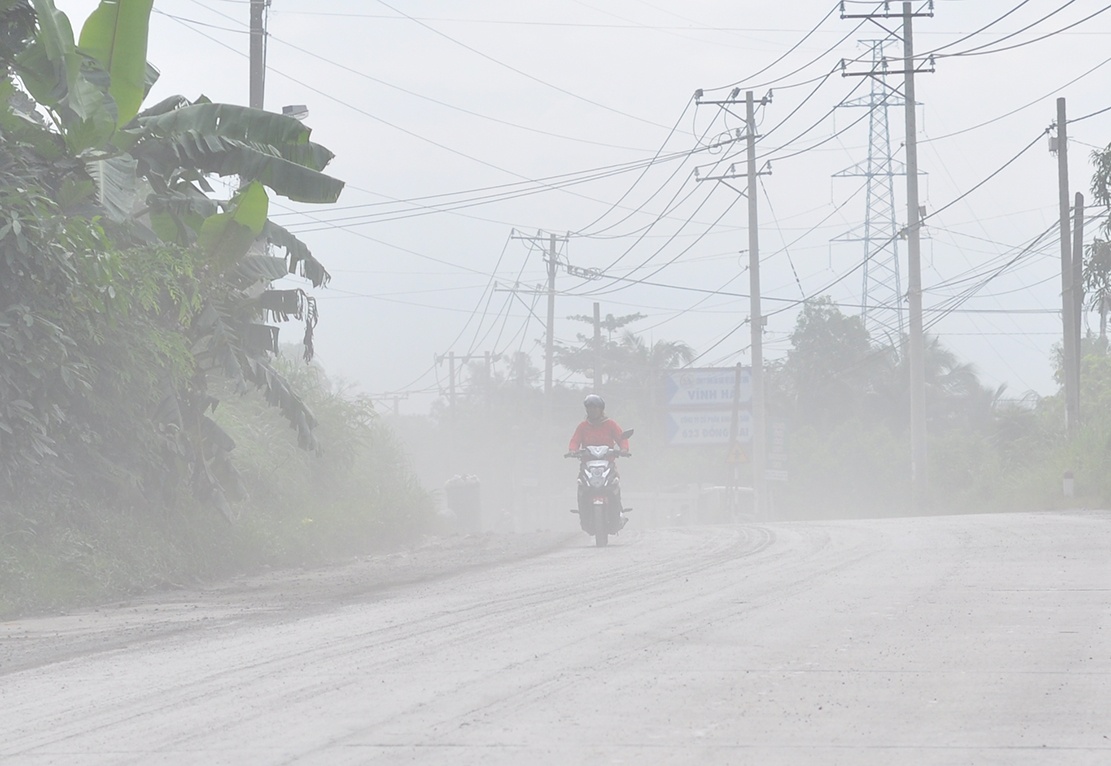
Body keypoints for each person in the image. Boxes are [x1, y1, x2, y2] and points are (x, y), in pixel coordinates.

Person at [567, 394, 629, 524]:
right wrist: (572, 450)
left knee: (614, 485)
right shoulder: (583, 426)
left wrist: (623, 449)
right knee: (582, 487)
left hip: (608, 464)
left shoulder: (610, 424)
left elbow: (622, 438)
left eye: (595, 408)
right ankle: (584, 515)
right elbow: (575, 440)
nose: (592, 410)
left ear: (601, 409)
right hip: (587, 465)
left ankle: (618, 511)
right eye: (589, 408)